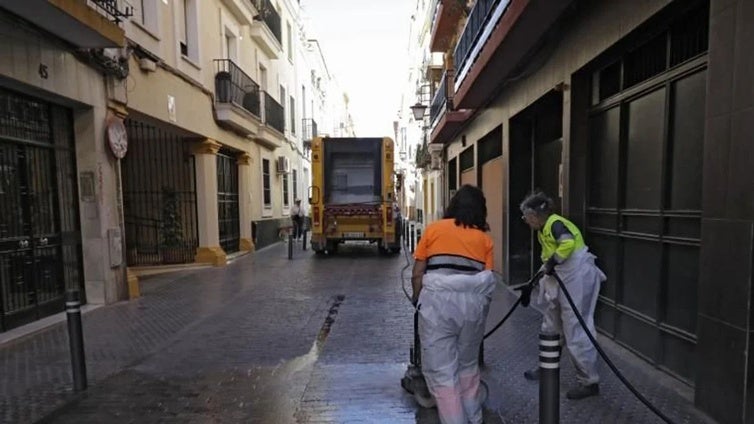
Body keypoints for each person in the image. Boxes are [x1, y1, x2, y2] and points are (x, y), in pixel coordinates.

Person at [411, 185, 496, 424]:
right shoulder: (485, 240)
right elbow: (487, 283)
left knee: (442, 372)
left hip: (437, 303)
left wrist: (418, 300)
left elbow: (417, 273)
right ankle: (475, 418)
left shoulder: (433, 230)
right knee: (468, 367)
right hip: (473, 306)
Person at [519, 191, 606, 400]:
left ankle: (589, 381)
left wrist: (552, 263)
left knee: (575, 328)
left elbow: (566, 244)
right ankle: (547, 368)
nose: (525, 221)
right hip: (564, 279)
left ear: (534, 215)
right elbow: (549, 258)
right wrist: (531, 285)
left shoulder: (555, 224)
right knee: (550, 327)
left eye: (525, 216)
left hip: (576, 279)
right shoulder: (544, 230)